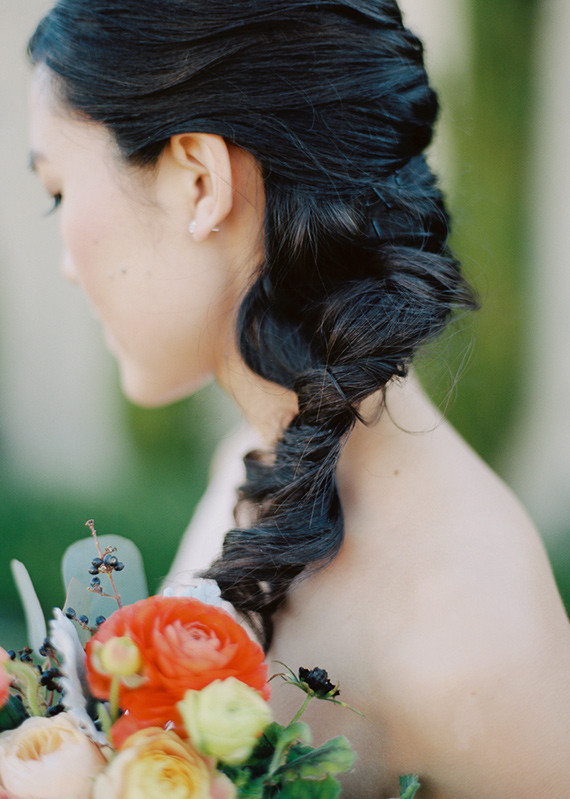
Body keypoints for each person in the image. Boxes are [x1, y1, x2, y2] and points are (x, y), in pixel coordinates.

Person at [27, 0, 570, 796]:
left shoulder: (470, 642)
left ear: (200, 180)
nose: (67, 262)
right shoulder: (253, 464)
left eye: (59, 190)